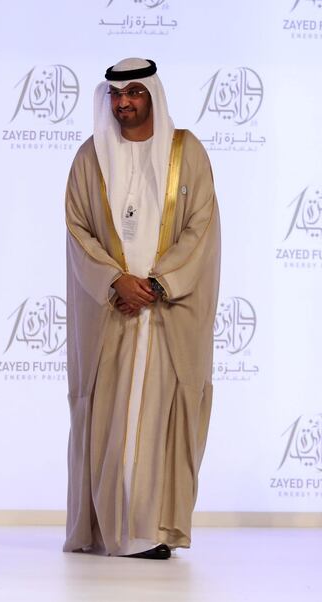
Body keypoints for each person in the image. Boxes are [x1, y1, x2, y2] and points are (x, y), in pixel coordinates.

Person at [63, 59, 221, 559]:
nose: (124, 102)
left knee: (158, 419)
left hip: (166, 313)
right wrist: (115, 281)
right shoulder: (90, 157)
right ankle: (111, 529)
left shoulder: (186, 152)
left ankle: (152, 530)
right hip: (113, 312)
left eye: (134, 92)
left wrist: (158, 282)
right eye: (116, 95)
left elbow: (201, 228)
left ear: (152, 96)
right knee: (109, 415)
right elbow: (77, 229)